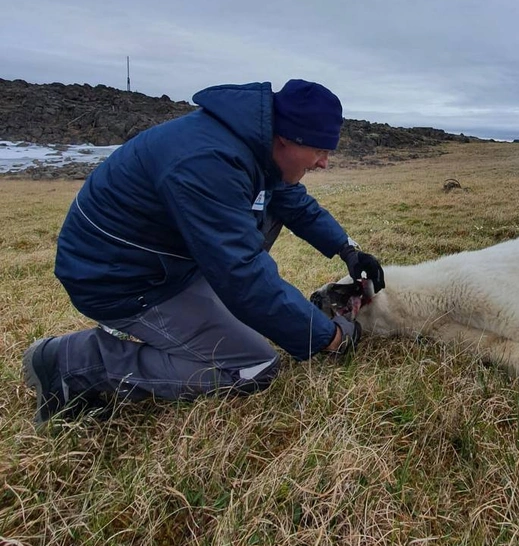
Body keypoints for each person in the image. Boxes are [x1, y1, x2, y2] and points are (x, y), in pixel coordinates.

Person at [22, 79, 385, 425]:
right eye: (320, 150)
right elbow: (241, 274)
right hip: (119, 279)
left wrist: (348, 250)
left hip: (161, 262)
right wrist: (328, 338)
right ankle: (72, 363)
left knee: (264, 242)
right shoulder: (209, 162)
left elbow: (293, 204)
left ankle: (211, 313)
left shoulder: (254, 147)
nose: (324, 162)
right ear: (287, 138)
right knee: (253, 365)